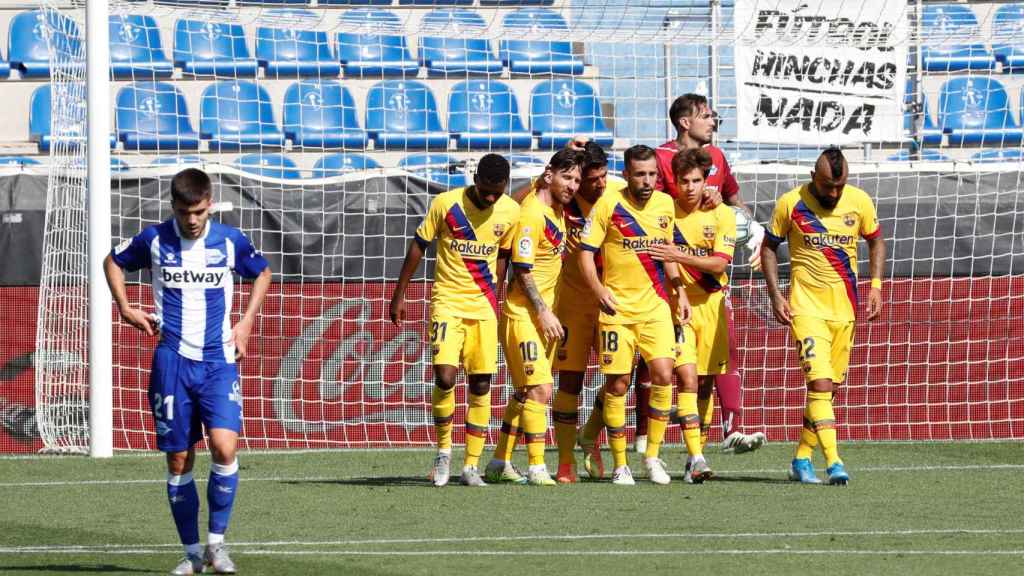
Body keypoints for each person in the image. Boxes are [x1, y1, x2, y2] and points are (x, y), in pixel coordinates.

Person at [104, 168, 272, 575]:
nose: (191, 219)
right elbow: (113, 261)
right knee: (179, 459)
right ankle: (192, 553)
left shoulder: (230, 241)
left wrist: (247, 321)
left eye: (197, 211)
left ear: (209, 203)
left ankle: (217, 545)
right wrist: (125, 307)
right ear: (173, 207)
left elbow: (262, 272)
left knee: (225, 447)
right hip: (172, 361)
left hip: (218, 360)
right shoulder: (155, 239)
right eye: (183, 212)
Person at [632, 93, 766, 455]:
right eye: (707, 116)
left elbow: (735, 201)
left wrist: (753, 228)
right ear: (685, 122)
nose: (714, 122)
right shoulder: (658, 158)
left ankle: (728, 430)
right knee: (654, 360)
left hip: (708, 271)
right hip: (667, 272)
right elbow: (649, 206)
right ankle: (643, 430)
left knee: (722, 354)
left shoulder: (719, 157)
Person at [390, 154, 521, 487]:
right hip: (447, 302)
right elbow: (419, 246)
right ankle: (444, 452)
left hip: (484, 308)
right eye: (486, 189)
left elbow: (504, 254)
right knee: (446, 377)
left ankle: (471, 466)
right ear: (475, 179)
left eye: (498, 191)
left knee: (481, 384)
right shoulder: (446, 204)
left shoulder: (510, 211)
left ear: (505, 185)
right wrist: (399, 294)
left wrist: (496, 294)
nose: (491, 197)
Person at [760, 147, 886, 485]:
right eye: (828, 187)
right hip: (805, 309)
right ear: (814, 178)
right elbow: (768, 247)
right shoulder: (791, 204)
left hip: (845, 311)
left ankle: (802, 459)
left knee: (827, 392)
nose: (834, 194)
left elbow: (875, 241)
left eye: (839, 187)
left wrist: (875, 286)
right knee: (819, 383)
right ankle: (834, 462)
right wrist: (775, 294)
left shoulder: (859, 201)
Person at [579, 144, 689, 486]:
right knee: (618, 383)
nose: (647, 181)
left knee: (663, 375)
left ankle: (652, 457)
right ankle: (620, 464)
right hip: (617, 309)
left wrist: (679, 290)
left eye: (652, 174)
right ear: (625, 174)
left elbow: (666, 252)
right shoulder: (609, 204)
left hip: (655, 305)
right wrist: (599, 291)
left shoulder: (665, 204)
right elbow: (585, 255)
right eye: (640, 174)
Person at [484, 148, 584, 486]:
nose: (572, 185)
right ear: (549, 174)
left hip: (543, 316)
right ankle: (538, 467)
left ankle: (499, 461)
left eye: (576, 180)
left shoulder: (556, 214)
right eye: (567, 177)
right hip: (523, 314)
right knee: (541, 389)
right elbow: (523, 270)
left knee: (527, 393)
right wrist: (542, 311)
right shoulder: (531, 215)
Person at [649, 148, 737, 483]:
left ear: (706, 180)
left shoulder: (722, 214)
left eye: (697, 181)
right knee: (685, 378)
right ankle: (694, 457)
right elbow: (665, 253)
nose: (690, 187)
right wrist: (678, 279)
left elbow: (718, 264)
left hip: (712, 306)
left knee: (705, 385)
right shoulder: (664, 209)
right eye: (683, 181)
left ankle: (691, 457)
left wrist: (679, 254)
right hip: (677, 307)